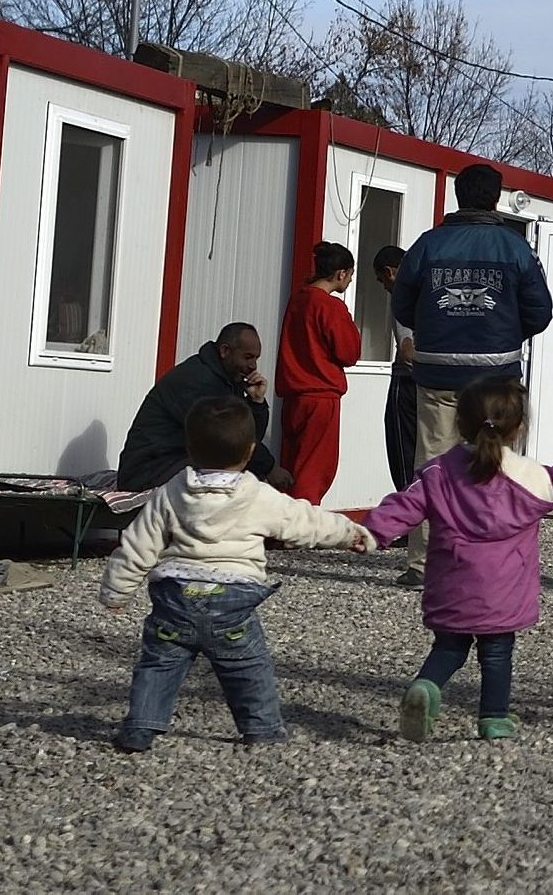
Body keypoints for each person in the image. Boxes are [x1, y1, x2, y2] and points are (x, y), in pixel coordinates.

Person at [361, 377, 553, 741]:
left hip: (451, 583)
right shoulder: (530, 478)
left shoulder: (438, 473)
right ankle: (493, 719)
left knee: (449, 647)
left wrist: (370, 532)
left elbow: (404, 505)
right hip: (502, 592)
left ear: (459, 423)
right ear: (518, 429)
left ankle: (425, 685)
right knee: (497, 652)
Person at [101, 396, 370, 751]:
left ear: (189, 447)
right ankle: (262, 729)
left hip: (175, 598)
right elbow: (303, 521)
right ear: (249, 451)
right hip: (231, 602)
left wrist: (117, 590)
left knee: (159, 665)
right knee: (247, 668)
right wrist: (349, 533)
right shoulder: (256, 495)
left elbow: (139, 543)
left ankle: (140, 726)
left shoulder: (171, 492)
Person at [391, 163, 553, 587]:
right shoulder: (514, 248)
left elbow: (402, 304)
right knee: (497, 463)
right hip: (496, 374)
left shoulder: (428, 244)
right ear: (496, 198)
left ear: (458, 196)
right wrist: (505, 331)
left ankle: (423, 563)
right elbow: (541, 311)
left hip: (437, 372)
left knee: (431, 462)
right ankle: (493, 555)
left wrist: (431, 333)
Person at [117, 323, 292, 493]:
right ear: (224, 351)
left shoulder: (227, 379)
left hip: (174, 462)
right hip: (148, 470)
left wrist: (256, 402)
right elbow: (228, 437)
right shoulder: (198, 380)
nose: (253, 365)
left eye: (256, 358)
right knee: (225, 473)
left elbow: (246, 437)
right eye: (247, 357)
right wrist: (270, 468)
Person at [276, 242, 362, 505]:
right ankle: (302, 527)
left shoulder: (298, 299)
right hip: (322, 395)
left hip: (293, 394)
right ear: (340, 274)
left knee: (291, 464)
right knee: (314, 468)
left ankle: (284, 522)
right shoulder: (331, 307)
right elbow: (349, 352)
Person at [374, 245, 419, 491]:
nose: (384, 287)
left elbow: (407, 349)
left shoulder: (403, 295)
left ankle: (407, 514)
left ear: (391, 272)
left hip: (406, 381)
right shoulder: (430, 289)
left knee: (402, 451)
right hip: (435, 384)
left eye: (382, 280)